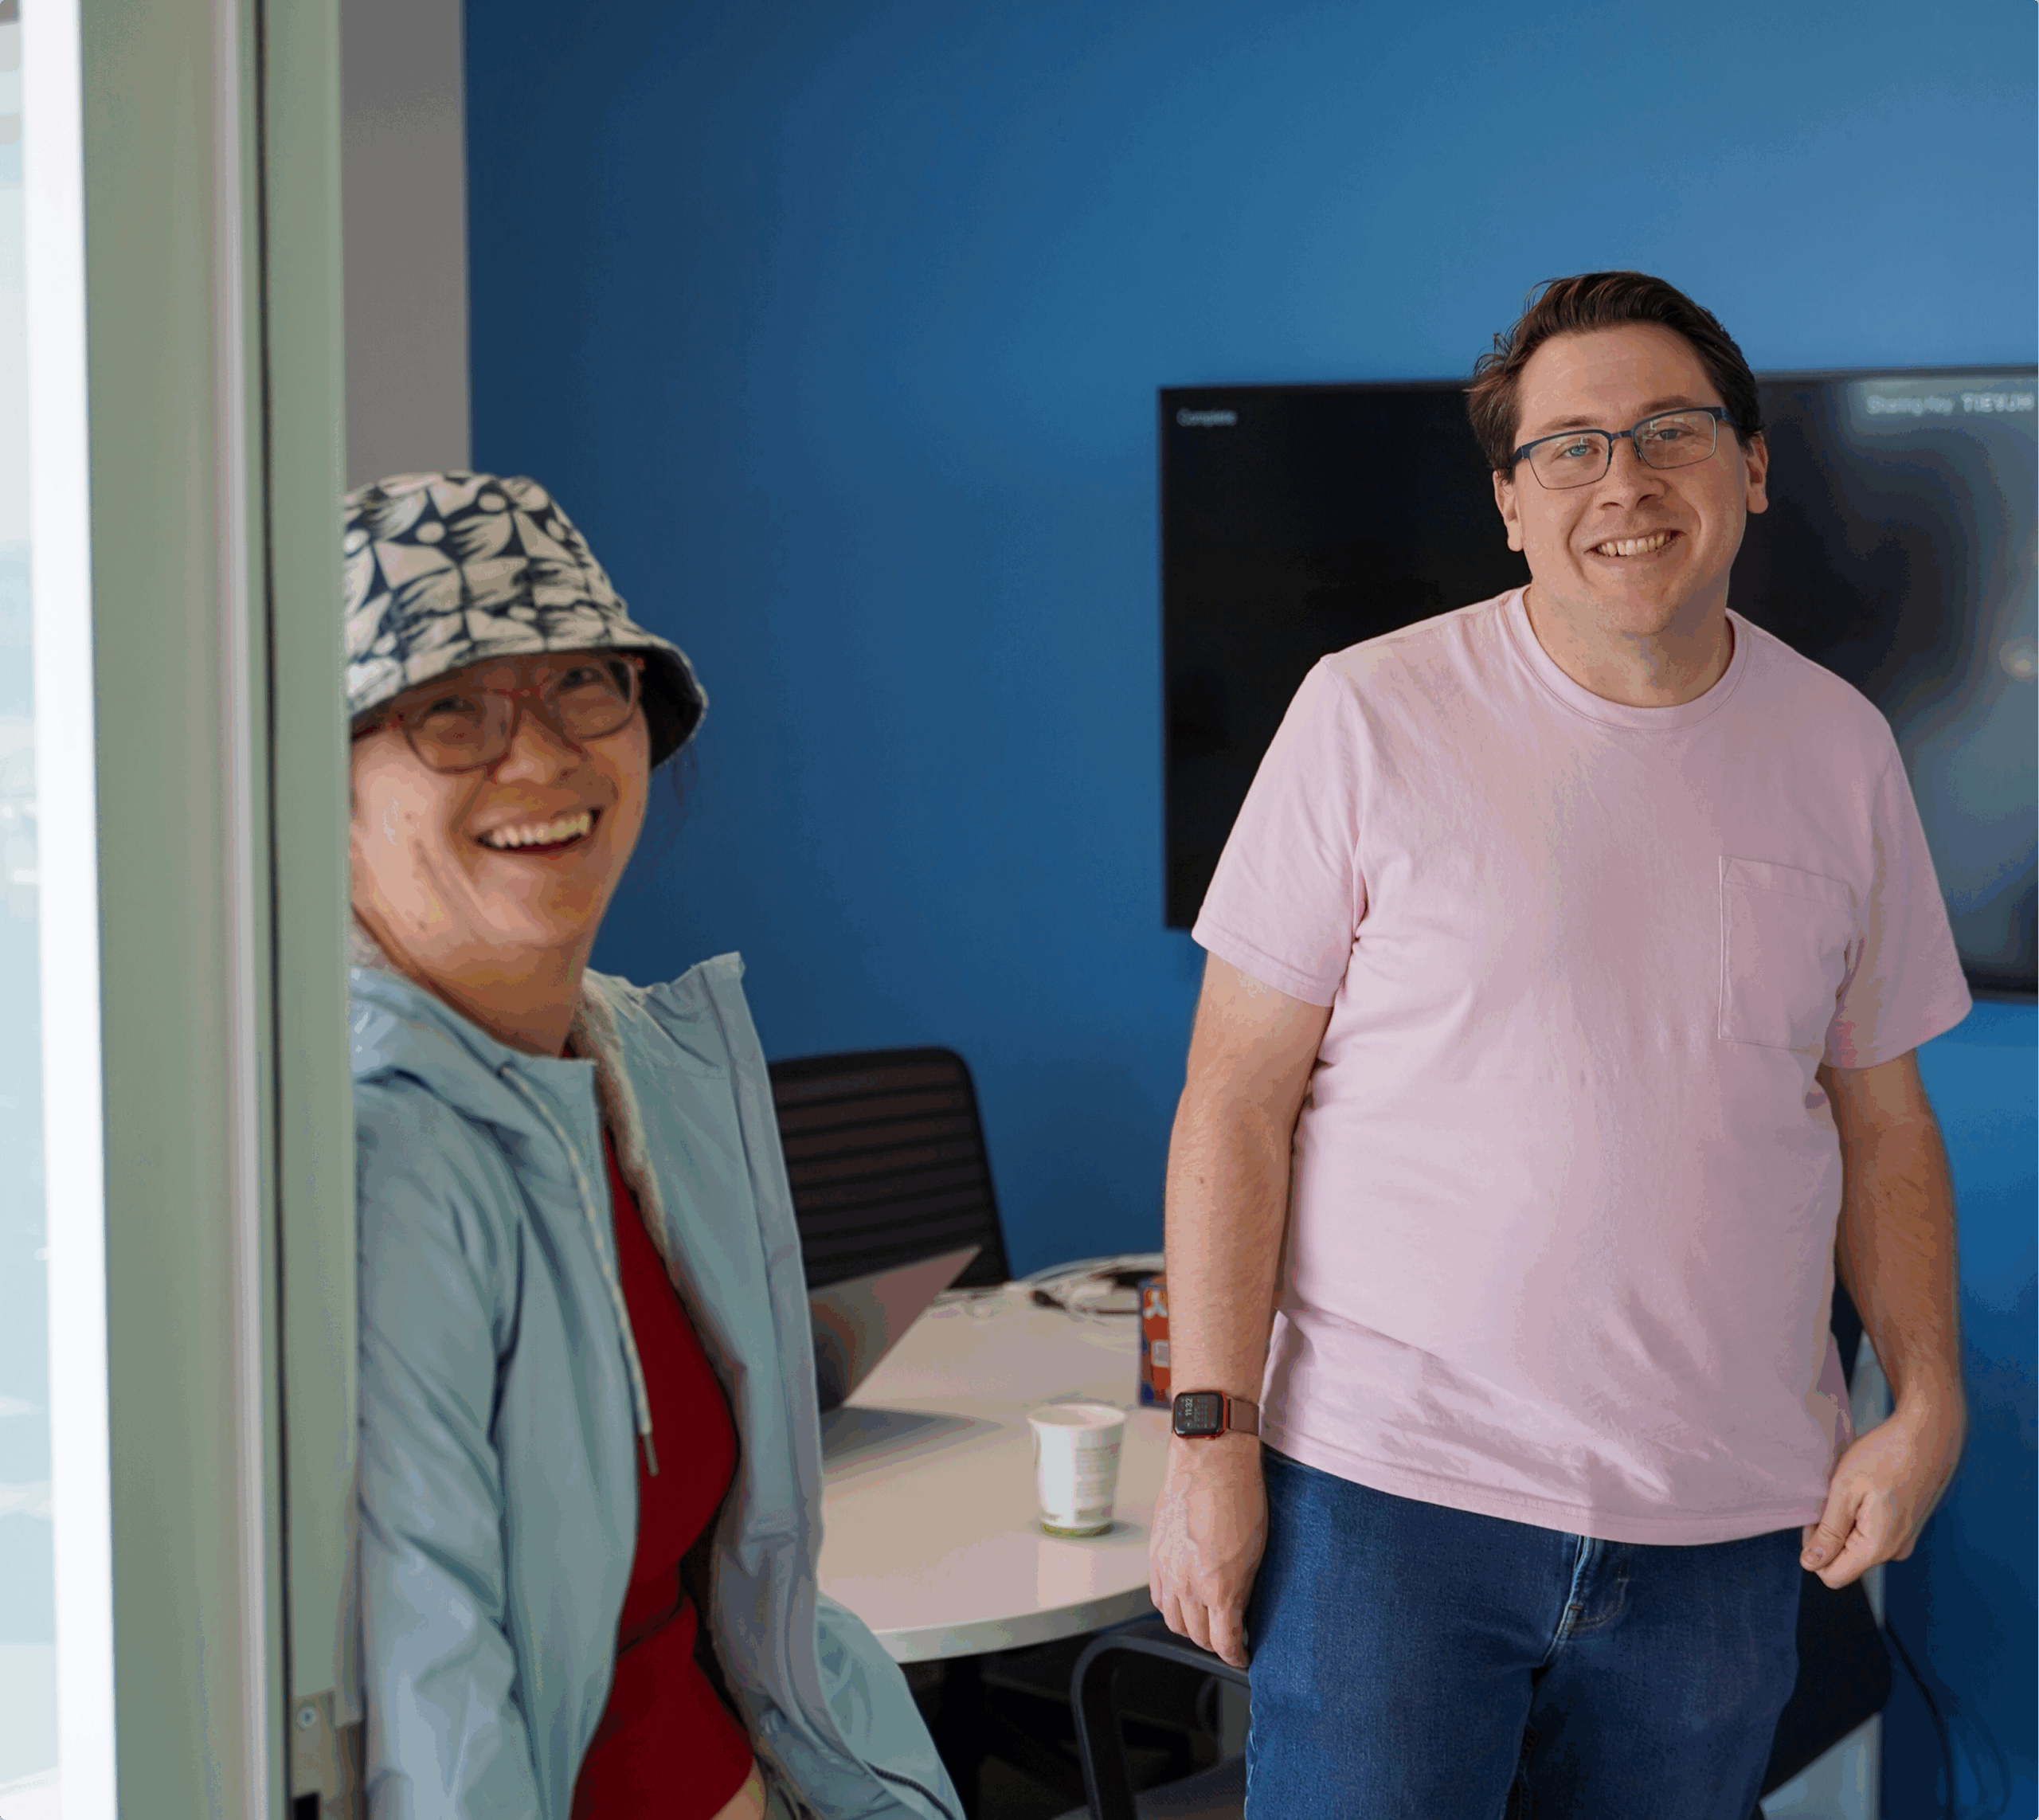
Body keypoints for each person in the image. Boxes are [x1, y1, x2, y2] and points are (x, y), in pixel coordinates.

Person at [1147, 273, 1973, 1817]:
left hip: (1718, 1534)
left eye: (1671, 432)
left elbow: (1884, 1124)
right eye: (1570, 447)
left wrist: (1925, 1401)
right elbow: (1235, 1100)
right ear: (1509, 504)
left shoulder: (1841, 751)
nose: (1625, 480)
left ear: (1751, 467)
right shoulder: (1366, 714)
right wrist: (1210, 1439)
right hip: (1389, 1506)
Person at [339, 471, 960, 1820]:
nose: (540, 757)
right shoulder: (375, 1153)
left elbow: (754, 1596)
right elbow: (440, 1723)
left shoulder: (640, 1067)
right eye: (449, 708)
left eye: (583, 684)